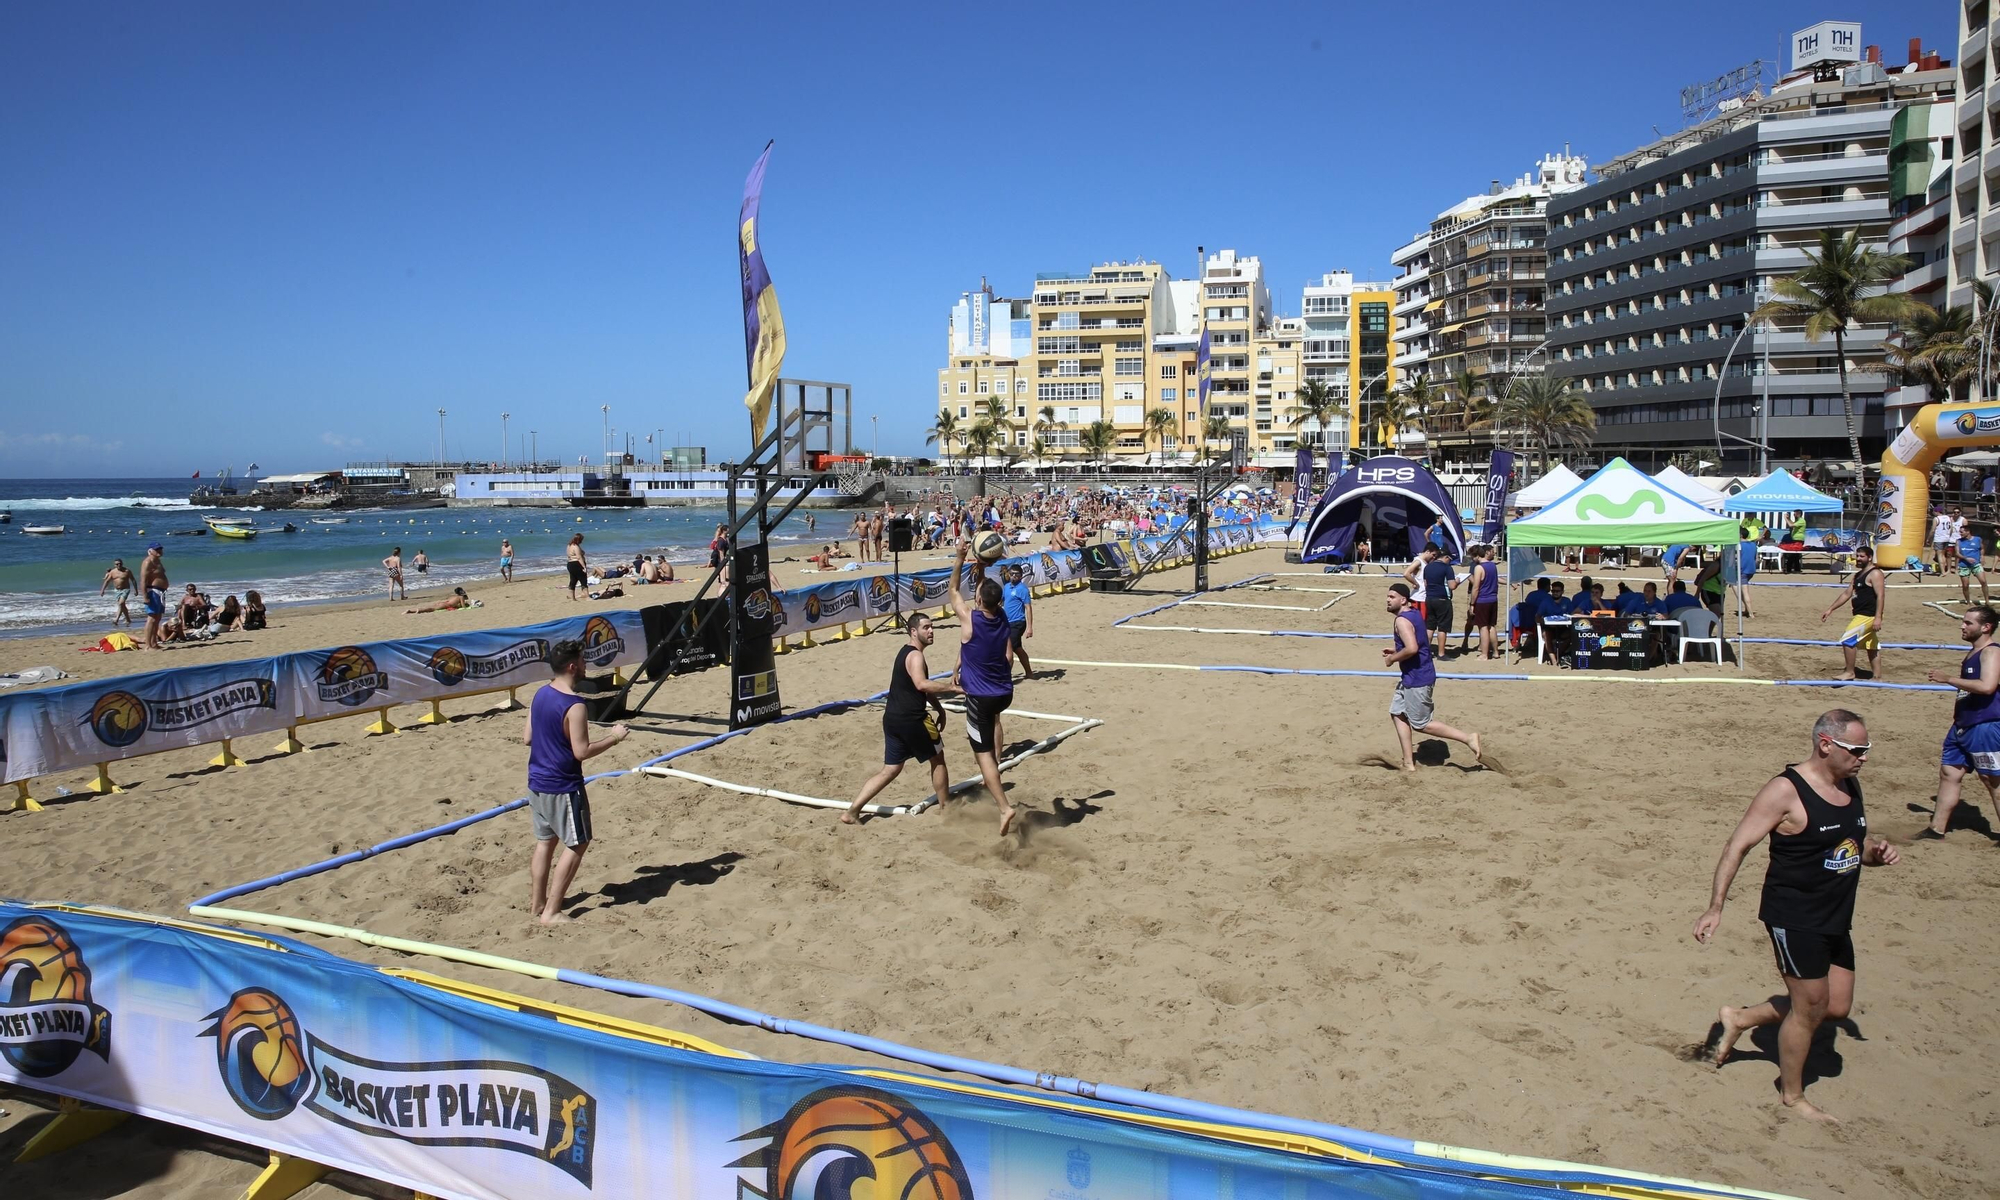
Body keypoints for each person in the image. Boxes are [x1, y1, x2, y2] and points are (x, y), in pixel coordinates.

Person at [1693, 709, 1899, 1124]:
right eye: (1857, 749)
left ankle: (1740, 1018)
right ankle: (1792, 1096)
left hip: (1837, 915)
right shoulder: (1785, 792)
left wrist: (1875, 851)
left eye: (1867, 749)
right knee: (1809, 1008)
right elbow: (1737, 846)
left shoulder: (1849, 785)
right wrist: (1716, 907)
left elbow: (1850, 846)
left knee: (1836, 1007)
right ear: (1826, 744)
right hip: (1795, 914)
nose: (1864, 757)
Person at [523, 640, 630, 925]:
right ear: (572, 666)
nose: (586, 666)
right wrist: (615, 737)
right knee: (578, 844)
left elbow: (528, 738)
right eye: (583, 661)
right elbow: (581, 751)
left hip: (536, 781)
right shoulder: (574, 704)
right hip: (562, 785)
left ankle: (537, 904)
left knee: (545, 842)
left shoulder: (540, 693)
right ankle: (552, 911)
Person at [841, 612, 960, 825]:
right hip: (913, 719)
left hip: (892, 718)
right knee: (938, 759)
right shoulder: (916, 656)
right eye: (926, 627)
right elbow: (922, 684)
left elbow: (919, 687)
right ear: (913, 631)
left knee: (891, 769)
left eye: (932, 626)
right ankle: (946, 809)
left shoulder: (905, 652)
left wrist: (939, 709)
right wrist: (953, 688)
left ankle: (852, 811)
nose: (931, 631)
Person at [948, 543, 1018, 834]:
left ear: (977, 600)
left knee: (983, 754)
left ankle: (1005, 808)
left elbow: (953, 590)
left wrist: (961, 558)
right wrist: (982, 568)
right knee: (992, 727)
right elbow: (984, 594)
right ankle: (1000, 793)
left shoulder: (971, 619)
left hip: (980, 697)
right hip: (1004, 693)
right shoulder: (1001, 617)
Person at [1382, 582, 1482, 771]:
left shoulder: (1402, 620)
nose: (1387, 600)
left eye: (1392, 597)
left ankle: (1468, 738)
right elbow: (1419, 642)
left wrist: (1393, 659)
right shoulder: (1414, 613)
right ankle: (1409, 762)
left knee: (1421, 724)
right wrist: (1397, 649)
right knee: (1397, 712)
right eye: (1388, 596)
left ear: (1403, 600)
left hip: (1418, 678)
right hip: (1415, 675)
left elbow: (1412, 648)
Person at [1923, 605, 2000, 839]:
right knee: (1949, 773)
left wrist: (1948, 679)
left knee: (1992, 781)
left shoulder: (1991, 652)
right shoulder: (1974, 652)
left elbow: (1987, 686)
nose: (1962, 625)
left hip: (1984, 726)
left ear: (1986, 627)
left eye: (1968, 623)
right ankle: (1936, 829)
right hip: (1962, 726)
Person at [1820, 545, 1886, 682]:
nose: (1858, 559)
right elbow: (1846, 594)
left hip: (1868, 615)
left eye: (1862, 556)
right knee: (1871, 645)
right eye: (1857, 556)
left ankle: (1850, 672)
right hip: (1859, 614)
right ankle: (1877, 676)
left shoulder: (1875, 573)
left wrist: (1878, 617)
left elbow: (1880, 596)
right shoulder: (1857, 575)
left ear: (1869, 557)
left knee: (1847, 639)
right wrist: (1830, 609)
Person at [1000, 563, 1035, 680]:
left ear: (1021, 576)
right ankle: (1029, 672)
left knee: (1010, 647)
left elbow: (1028, 608)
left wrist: (1030, 628)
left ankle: (1005, 676)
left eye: (1017, 574)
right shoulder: (1006, 587)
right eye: (1011, 574)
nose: (1013, 576)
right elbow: (1002, 602)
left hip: (1018, 622)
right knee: (1017, 648)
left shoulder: (1022, 589)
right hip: (1007, 622)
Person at [138, 544, 168, 651]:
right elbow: (143, 580)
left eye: (160, 549)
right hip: (153, 591)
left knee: (158, 618)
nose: (159, 551)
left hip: (161, 592)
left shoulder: (158, 561)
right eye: (157, 549)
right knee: (151, 619)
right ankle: (148, 645)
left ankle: (154, 642)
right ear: (150, 551)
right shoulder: (148, 562)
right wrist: (145, 596)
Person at [1957, 527, 1990, 605]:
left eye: (1962, 532)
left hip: (1976, 564)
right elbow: (1957, 553)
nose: (1960, 534)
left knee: (1983, 581)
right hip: (1964, 565)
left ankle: (1987, 600)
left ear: (1968, 532)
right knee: (1965, 585)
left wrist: (1982, 556)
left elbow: (1982, 548)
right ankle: (1968, 602)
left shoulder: (1977, 539)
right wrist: (1966, 558)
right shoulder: (1959, 541)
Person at [100, 558, 134, 626]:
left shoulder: (127, 571)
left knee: (121, 603)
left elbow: (133, 580)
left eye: (120, 563)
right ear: (114, 565)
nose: (119, 565)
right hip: (117, 590)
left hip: (125, 589)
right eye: (117, 564)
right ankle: (128, 619)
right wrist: (102, 590)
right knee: (122, 605)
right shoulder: (112, 572)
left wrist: (136, 590)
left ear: (122, 563)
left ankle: (116, 619)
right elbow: (107, 581)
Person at [407, 587, 475, 614]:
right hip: (445, 605)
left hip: (443, 603)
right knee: (430, 609)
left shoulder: (454, 596)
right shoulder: (461, 597)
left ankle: (412, 611)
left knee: (430, 608)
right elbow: (463, 607)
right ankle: (417, 610)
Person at [1933, 506, 1957, 575]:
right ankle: (1944, 569)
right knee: (1943, 555)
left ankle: (1943, 571)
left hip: (1939, 539)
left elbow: (1933, 529)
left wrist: (1929, 538)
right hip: (1946, 538)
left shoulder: (1936, 519)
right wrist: (1948, 535)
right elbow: (1951, 529)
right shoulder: (1948, 517)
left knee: (1940, 555)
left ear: (1936, 512)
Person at [566, 533, 588, 601]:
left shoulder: (569, 546)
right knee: (583, 580)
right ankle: (587, 597)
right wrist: (584, 566)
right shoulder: (576, 546)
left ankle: (573, 598)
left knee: (573, 581)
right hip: (577, 564)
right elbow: (579, 557)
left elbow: (571, 555)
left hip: (570, 564)